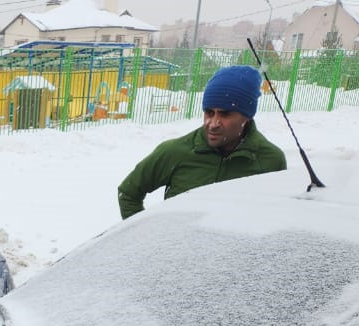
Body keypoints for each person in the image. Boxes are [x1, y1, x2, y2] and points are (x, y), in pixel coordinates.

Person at [117, 65, 287, 219]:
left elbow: (274, 217)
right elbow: (128, 193)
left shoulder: (270, 160)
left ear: (247, 116)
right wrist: (147, 239)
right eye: (209, 112)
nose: (213, 124)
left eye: (225, 114)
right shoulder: (176, 152)